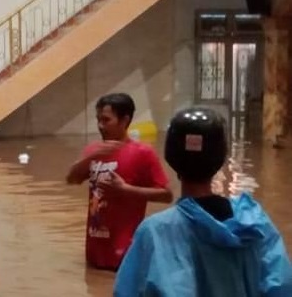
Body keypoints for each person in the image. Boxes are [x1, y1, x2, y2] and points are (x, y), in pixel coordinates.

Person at [114, 107, 292, 296]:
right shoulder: (256, 224)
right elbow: (281, 287)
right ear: (221, 157)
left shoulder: (155, 232)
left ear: (171, 157)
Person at [65, 93, 173, 271]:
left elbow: (166, 195)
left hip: (126, 255)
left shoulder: (142, 153)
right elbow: (72, 179)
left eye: (106, 120)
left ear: (124, 120)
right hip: (94, 252)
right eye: (98, 119)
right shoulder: (93, 150)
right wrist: (92, 157)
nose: (100, 126)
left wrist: (126, 189)